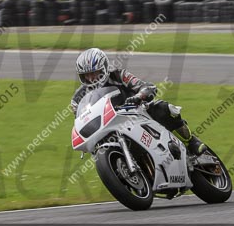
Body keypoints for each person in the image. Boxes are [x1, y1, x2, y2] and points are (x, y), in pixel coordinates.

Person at [70, 47, 206, 155]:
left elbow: (146, 86)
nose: (91, 78)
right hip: (108, 127)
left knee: (165, 109)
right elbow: (81, 120)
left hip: (137, 113)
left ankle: (191, 141)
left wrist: (139, 96)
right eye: (86, 75)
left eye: (94, 73)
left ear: (104, 68)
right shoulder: (78, 98)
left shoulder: (118, 75)